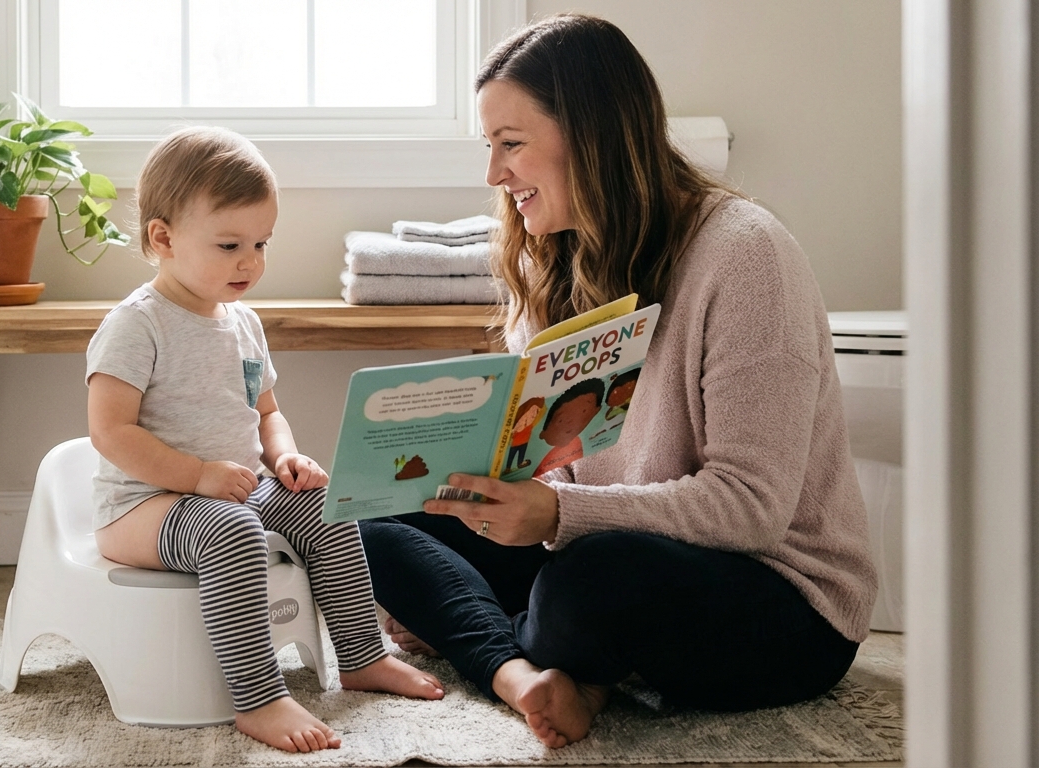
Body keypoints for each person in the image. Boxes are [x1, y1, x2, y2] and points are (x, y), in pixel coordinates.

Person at [359, 13, 878, 749]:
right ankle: (526, 670)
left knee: (586, 584)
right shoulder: (553, 261)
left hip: (779, 597)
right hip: (608, 548)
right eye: (489, 147)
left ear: (593, 137)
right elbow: (560, 472)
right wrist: (492, 489)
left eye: (512, 145)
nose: (493, 175)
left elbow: (752, 507)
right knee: (378, 523)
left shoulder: (747, 255)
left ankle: (511, 640)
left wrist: (553, 519)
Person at [86, 126, 443, 754]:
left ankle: (359, 656)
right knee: (231, 532)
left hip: (234, 490)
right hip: (144, 506)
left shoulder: (243, 323)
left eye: (260, 243)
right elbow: (110, 431)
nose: (250, 261)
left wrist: (284, 457)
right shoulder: (137, 325)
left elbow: (266, 411)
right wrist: (196, 475)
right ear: (162, 238)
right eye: (229, 244)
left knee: (325, 506)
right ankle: (260, 697)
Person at [532, 379, 604, 476]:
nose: (571, 422)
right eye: (562, 419)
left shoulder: (576, 443)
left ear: (596, 411)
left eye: (583, 411)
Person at [502, 396, 546, 471]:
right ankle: (508, 467)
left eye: (536, 411)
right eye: (533, 411)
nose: (534, 414)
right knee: (512, 453)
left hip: (525, 439)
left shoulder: (530, 421)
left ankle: (519, 463)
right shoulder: (521, 421)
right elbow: (516, 428)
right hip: (517, 440)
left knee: (521, 452)